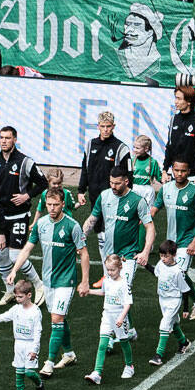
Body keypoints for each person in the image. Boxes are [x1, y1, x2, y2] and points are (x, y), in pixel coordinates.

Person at [7, 189, 90, 377]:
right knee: (59, 318)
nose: (52, 208)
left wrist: (84, 282)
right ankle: (69, 354)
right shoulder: (41, 224)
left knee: (56, 319)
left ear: (63, 204)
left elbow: (84, 253)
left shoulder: (72, 226)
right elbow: (28, 248)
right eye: (49, 205)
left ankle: (49, 362)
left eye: (55, 205)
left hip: (66, 280)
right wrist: (14, 270)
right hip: (48, 280)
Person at [85, 167, 155, 343]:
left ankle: (109, 336)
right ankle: (129, 330)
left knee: (116, 293)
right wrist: (80, 238)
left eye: (117, 183)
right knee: (116, 293)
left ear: (126, 181)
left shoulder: (137, 201)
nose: (113, 186)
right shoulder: (105, 196)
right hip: (109, 257)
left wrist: (145, 251)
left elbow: (150, 227)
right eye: (111, 182)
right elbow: (92, 219)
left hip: (127, 256)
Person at [0, 126, 47, 305]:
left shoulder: (25, 162)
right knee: (1, 255)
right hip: (0, 217)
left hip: (19, 216)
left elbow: (43, 183)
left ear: (15, 139)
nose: (4, 141)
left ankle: (39, 285)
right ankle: (9, 291)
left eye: (8, 138)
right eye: (2, 138)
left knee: (15, 257)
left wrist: (27, 196)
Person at [152, 158, 195, 321]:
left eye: (183, 171)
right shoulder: (166, 189)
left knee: (179, 273)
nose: (179, 174)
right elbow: (156, 206)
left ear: (189, 172)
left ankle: (174, 315)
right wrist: (148, 215)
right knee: (174, 274)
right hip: (171, 242)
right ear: (172, 169)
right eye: (176, 170)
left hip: (187, 241)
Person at [78, 111, 132, 284]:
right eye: (103, 126)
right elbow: (85, 169)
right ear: (98, 126)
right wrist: (81, 190)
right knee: (101, 235)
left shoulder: (121, 149)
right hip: (96, 198)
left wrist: (127, 198)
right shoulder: (90, 145)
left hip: (114, 200)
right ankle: (107, 273)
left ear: (114, 126)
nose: (106, 130)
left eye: (109, 126)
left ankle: (112, 273)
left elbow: (129, 176)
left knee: (109, 236)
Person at [0, 280, 45, 390]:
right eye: (16, 297)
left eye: (20, 297)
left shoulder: (36, 312)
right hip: (18, 344)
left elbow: (38, 332)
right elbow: (3, 317)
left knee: (29, 372)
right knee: (19, 372)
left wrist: (34, 350)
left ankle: (39, 385)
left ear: (29, 295)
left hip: (30, 344)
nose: (18, 299)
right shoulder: (16, 309)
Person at [83, 254, 135, 384]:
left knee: (123, 341)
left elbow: (128, 303)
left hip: (119, 316)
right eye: (108, 270)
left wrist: (121, 318)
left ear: (120, 267)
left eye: (113, 270)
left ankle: (129, 366)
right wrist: (89, 291)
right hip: (107, 315)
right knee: (102, 344)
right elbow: (104, 292)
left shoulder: (124, 283)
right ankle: (97, 372)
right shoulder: (107, 280)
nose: (110, 273)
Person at [147, 241, 192, 366]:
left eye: (166, 256)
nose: (163, 259)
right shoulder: (161, 264)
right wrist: (145, 264)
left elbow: (185, 290)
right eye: (161, 256)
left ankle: (158, 355)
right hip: (162, 299)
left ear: (174, 255)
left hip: (173, 300)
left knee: (164, 324)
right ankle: (184, 342)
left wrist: (186, 309)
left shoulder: (178, 271)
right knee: (173, 323)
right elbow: (155, 272)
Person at [164, 86, 195, 190]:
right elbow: (169, 147)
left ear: (189, 101)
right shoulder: (173, 119)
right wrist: (164, 170)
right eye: (175, 98)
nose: (175, 101)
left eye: (179, 98)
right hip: (176, 176)